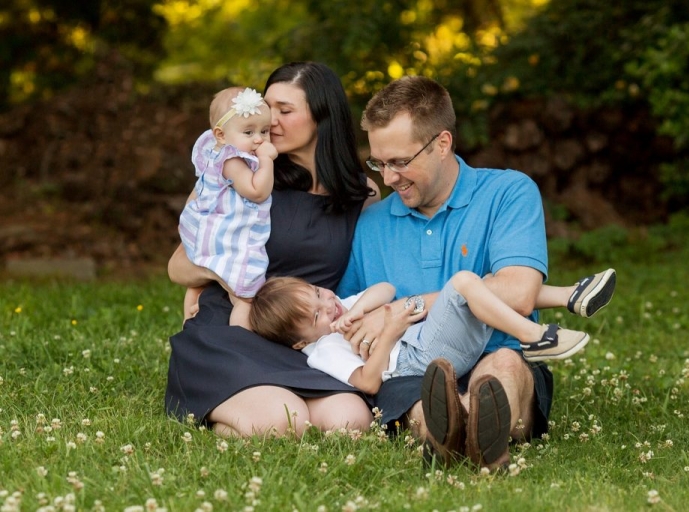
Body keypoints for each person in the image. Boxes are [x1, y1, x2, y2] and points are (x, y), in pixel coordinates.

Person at [335, 75, 617, 470]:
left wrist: (403, 308)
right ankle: (463, 432)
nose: (388, 178)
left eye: (400, 162)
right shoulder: (371, 225)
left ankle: (462, 430)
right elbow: (348, 316)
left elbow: (519, 292)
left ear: (443, 144)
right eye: (378, 163)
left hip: (500, 352)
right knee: (421, 399)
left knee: (500, 368)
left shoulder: (507, 192)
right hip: (415, 371)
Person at [165, 62, 381, 438]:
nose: (271, 120)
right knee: (282, 422)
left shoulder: (361, 194)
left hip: (307, 338)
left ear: (322, 118)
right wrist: (229, 280)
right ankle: (222, 407)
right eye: (267, 108)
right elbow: (178, 266)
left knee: (351, 421)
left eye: (286, 110)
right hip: (234, 328)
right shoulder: (238, 179)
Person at [250, 268, 612, 393]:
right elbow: (367, 383)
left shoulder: (345, 310)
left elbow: (386, 290)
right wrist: (389, 333)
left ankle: (572, 297)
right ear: (301, 341)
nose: (328, 305)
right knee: (465, 283)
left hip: (427, 343)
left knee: (483, 285)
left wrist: (358, 309)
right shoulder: (324, 349)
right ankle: (534, 338)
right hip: (418, 360)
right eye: (316, 315)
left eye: (318, 292)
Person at [178, 86, 277, 329]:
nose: (259, 139)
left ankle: (189, 322)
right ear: (221, 135)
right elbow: (257, 191)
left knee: (198, 282)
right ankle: (239, 337)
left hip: (208, 231)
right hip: (224, 236)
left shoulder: (219, 152)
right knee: (245, 295)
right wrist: (267, 160)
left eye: (265, 131)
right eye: (249, 132)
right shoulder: (231, 159)